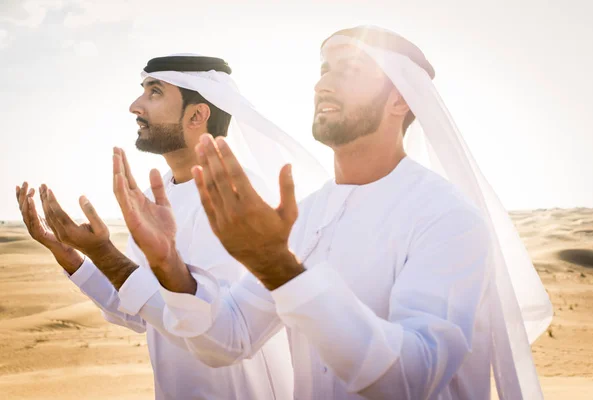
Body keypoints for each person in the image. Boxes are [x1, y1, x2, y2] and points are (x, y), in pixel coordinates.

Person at [114, 27, 553, 399]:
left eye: (349, 71)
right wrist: (167, 264)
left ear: (399, 100)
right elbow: (228, 340)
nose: (322, 85)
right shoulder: (306, 216)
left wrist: (280, 268)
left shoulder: (446, 218)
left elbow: (411, 379)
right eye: (324, 71)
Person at [15, 54, 328, 400]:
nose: (136, 106)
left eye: (155, 92)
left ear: (197, 115)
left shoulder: (238, 197)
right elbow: (145, 313)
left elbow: (212, 329)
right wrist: (71, 256)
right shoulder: (155, 197)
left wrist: (105, 253)